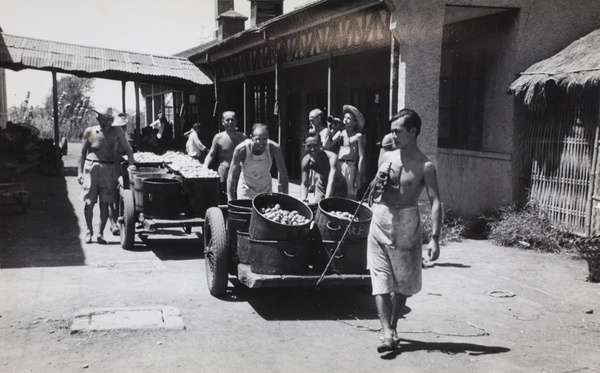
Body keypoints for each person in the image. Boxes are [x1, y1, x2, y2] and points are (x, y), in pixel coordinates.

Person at [367, 108, 442, 353]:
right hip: (380, 219)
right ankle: (386, 333)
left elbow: (435, 202)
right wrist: (378, 184)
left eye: (398, 131)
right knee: (380, 280)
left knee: (403, 284)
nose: (393, 136)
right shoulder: (386, 158)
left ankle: (393, 326)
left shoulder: (425, 166)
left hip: (407, 224)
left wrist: (435, 239)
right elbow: (373, 194)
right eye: (392, 131)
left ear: (413, 131)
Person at [78, 107, 134, 244]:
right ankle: (89, 231)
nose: (102, 122)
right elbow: (82, 152)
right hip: (92, 169)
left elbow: (128, 149)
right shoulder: (91, 132)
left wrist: (131, 166)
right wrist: (79, 172)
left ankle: (100, 234)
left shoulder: (117, 132)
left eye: (105, 119)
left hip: (109, 169)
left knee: (105, 203)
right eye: (100, 119)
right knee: (89, 202)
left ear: (111, 120)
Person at [227, 123, 288, 200]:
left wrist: (286, 198)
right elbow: (231, 176)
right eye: (258, 139)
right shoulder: (241, 150)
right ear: (251, 137)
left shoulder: (274, 148)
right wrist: (230, 199)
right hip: (246, 190)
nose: (261, 143)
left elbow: (283, 174)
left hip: (265, 190)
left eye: (264, 139)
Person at [204, 111, 247, 200]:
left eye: (232, 119)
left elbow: (250, 154)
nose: (230, 122)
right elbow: (211, 154)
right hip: (224, 172)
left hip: (239, 173)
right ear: (223, 122)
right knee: (224, 197)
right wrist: (205, 166)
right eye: (227, 120)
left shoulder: (243, 137)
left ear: (236, 121)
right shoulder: (218, 137)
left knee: (240, 197)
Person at [300, 133, 347, 203]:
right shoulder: (306, 161)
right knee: (317, 209)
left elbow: (331, 180)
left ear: (320, 145)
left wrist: (326, 200)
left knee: (339, 211)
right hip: (321, 185)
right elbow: (304, 183)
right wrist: (303, 199)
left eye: (315, 145)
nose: (312, 149)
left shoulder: (332, 158)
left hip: (339, 185)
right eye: (309, 146)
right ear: (305, 147)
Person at [336, 105, 366, 200]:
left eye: (349, 118)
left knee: (349, 196)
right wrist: (331, 129)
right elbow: (327, 145)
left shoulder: (358, 136)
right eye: (345, 117)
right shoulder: (340, 133)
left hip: (349, 167)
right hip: (338, 165)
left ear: (354, 123)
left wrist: (358, 178)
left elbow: (361, 157)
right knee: (337, 194)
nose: (345, 120)